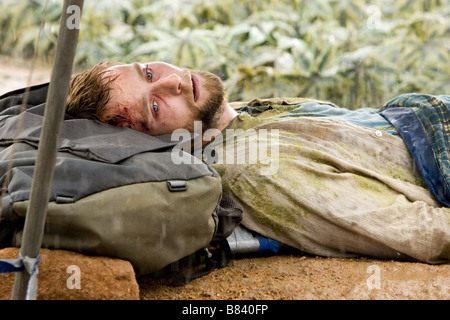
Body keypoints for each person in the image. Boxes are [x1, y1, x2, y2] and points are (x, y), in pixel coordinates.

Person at [66, 61, 450, 264]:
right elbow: (422, 232)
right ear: (151, 141)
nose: (173, 83)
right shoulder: (256, 171)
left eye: (149, 72)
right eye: (154, 106)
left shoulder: (240, 117)